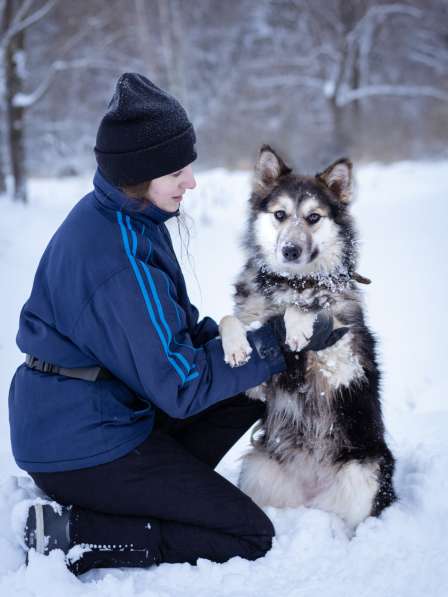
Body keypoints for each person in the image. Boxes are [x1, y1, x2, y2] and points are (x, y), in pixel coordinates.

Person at [9, 73, 337, 575]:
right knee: (248, 534)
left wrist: (276, 334)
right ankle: (74, 531)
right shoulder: (121, 258)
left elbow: (181, 337)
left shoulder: (130, 219)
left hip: (104, 413)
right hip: (79, 445)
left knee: (244, 389)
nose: (191, 181)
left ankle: (161, 487)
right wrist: (275, 343)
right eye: (177, 171)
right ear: (140, 172)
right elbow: (181, 385)